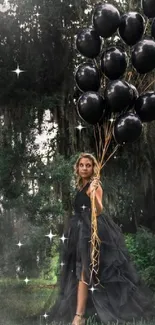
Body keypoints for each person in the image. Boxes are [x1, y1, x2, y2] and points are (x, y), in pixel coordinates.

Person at [48, 152, 155, 325]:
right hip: (79, 231)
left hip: (94, 230)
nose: (84, 168)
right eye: (81, 165)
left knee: (85, 270)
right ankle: (86, 310)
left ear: (93, 168)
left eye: (88, 165)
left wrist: (93, 196)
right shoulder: (80, 185)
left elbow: (98, 210)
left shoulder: (95, 185)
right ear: (77, 167)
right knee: (81, 271)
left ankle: (80, 316)